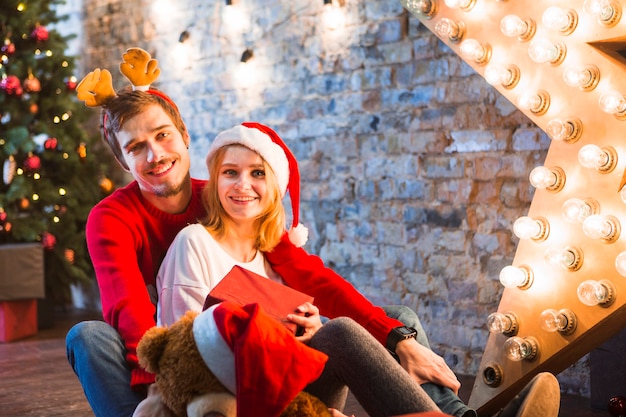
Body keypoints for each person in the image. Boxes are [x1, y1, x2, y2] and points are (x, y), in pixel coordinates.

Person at [156, 122, 561, 417]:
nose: (243, 184)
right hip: (247, 397)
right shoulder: (196, 243)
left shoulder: (273, 252)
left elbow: (296, 315)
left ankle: (459, 416)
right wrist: (304, 339)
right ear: (215, 179)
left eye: (257, 173)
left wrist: (306, 328)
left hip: (293, 374)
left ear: (274, 187)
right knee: (342, 330)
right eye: (230, 172)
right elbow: (187, 352)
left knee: (398, 319)